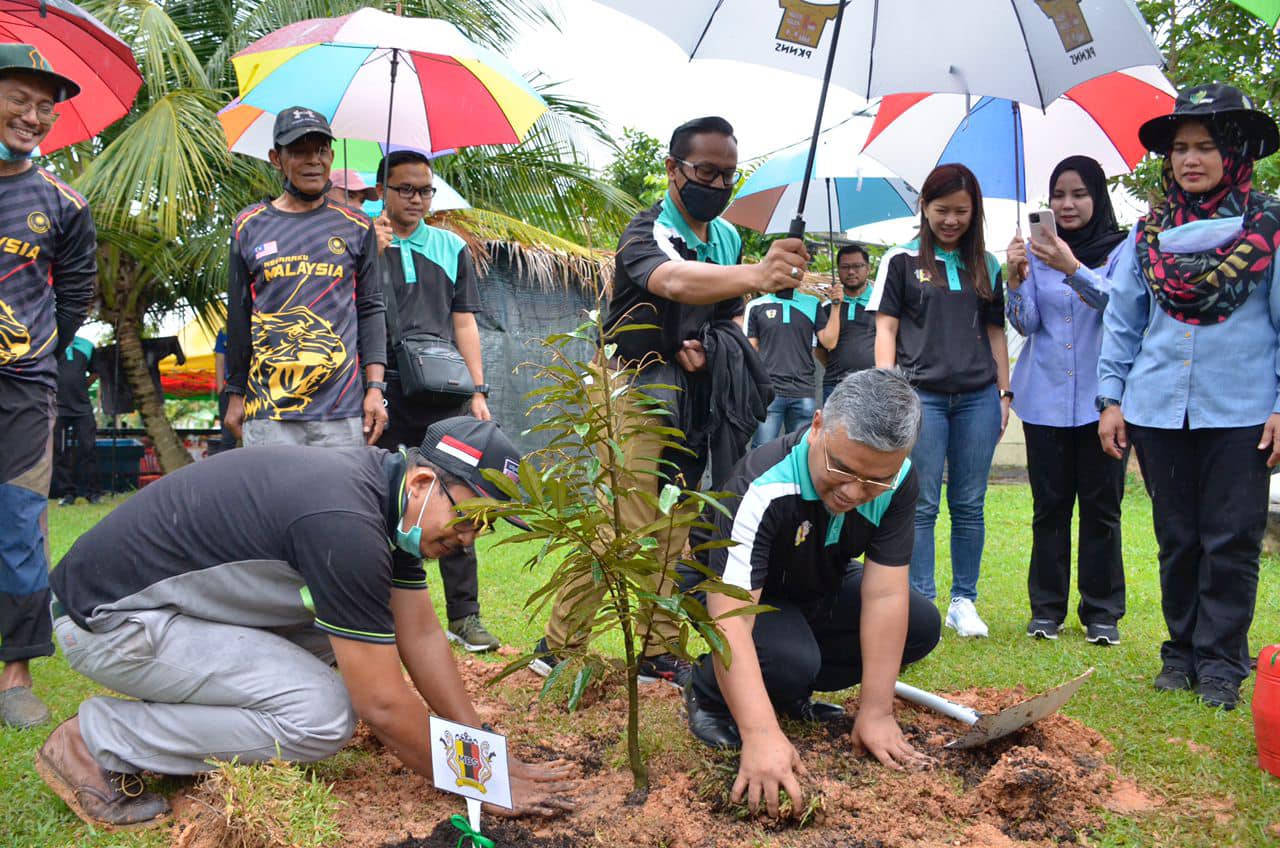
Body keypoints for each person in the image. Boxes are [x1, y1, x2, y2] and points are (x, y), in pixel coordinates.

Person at [36, 417, 575, 829]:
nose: (468, 539)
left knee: (352, 645)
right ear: (425, 482)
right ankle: (95, 739)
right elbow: (382, 707)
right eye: (471, 517)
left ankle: (176, 729)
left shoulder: (383, 502)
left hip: (158, 607)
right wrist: (479, 782)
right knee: (321, 713)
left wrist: (477, 745)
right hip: (109, 623)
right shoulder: (345, 524)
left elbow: (421, 634)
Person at [530, 116, 809, 683]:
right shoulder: (646, 230)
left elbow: (727, 312)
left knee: (679, 520)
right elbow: (675, 282)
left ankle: (658, 650)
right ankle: (558, 646)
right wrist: (757, 272)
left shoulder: (727, 237)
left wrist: (715, 346)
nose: (718, 184)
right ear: (673, 169)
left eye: (729, 174)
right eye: (706, 171)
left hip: (696, 400)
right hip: (633, 392)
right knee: (624, 522)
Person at [681, 368, 940, 817]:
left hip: (816, 585)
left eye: (875, 479)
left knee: (921, 624)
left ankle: (787, 690)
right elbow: (731, 619)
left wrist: (876, 712)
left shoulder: (896, 480)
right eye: (841, 468)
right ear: (817, 425)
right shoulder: (761, 485)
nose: (855, 491)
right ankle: (707, 691)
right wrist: (759, 736)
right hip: (735, 598)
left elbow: (885, 596)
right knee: (789, 657)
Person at [1098, 83, 1280, 711]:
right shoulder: (1148, 236)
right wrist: (1112, 399)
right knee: (1178, 537)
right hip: (1156, 407)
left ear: (1234, 154)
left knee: (1231, 537)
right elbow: (1124, 319)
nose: (1190, 159)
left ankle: (1223, 662)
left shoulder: (1269, 227)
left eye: (1205, 146)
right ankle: (1180, 654)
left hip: (1244, 409)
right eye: (1180, 149)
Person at [872, 162, 1011, 638]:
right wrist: (890, 391)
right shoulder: (900, 260)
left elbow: (997, 332)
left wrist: (1004, 392)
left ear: (975, 213)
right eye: (942, 210)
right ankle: (921, 600)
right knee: (923, 502)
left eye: (962, 212)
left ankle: (963, 601)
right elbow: (886, 327)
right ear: (924, 208)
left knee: (970, 503)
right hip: (920, 396)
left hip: (977, 398)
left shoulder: (987, 264)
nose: (952, 220)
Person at [0, 45, 95, 730]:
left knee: (17, 524)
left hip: (24, 390)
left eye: (46, 107)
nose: (34, 117)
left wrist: (36, 350)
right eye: (21, 100)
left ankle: (16, 673)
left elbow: (76, 294)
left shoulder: (63, 204)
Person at [372, 149, 499, 653]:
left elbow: (464, 319)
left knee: (457, 497)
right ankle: (376, 610)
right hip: (378, 387)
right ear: (380, 190)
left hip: (441, 390)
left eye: (425, 190)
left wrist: (478, 390)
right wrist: (366, 247)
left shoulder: (450, 246)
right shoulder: (359, 237)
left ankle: (465, 617)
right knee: (379, 495)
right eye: (405, 189)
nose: (417, 199)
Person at [1005, 156, 1128, 645]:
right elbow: (1026, 323)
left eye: (1078, 193)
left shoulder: (1121, 251)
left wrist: (1072, 267)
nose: (1068, 204)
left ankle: (1101, 613)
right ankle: (1046, 611)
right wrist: (1015, 280)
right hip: (1044, 400)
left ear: (1097, 198)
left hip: (1104, 403)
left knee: (1103, 508)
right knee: (1049, 508)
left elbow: (1121, 307)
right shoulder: (1034, 254)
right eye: (1058, 194)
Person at [223, 107, 389, 448]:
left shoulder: (356, 227)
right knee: (272, 502)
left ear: (331, 154)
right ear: (276, 158)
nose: (313, 160)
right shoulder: (248, 225)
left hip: (341, 408)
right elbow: (238, 318)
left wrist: (375, 389)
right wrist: (235, 393)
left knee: (337, 500)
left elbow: (371, 309)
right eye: (299, 151)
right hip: (268, 409)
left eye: (321, 150)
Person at [744, 276, 826, 447]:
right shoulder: (756, 305)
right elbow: (749, 351)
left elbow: (829, 341)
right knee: (761, 449)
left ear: (800, 275)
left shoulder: (813, 304)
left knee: (799, 451)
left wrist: (837, 304)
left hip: (803, 391)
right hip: (768, 392)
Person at [816, 244, 876, 403]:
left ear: (868, 269)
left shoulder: (880, 304)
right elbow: (820, 350)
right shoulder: (826, 308)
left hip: (873, 386)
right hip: (835, 385)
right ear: (838, 270)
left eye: (857, 266)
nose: (851, 272)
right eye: (845, 267)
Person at [53, 335, 102, 506]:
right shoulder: (50, 342)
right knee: (59, 451)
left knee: (88, 449)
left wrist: (82, 386)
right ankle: (67, 493)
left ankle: (93, 493)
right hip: (57, 407)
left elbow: (96, 371)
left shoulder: (87, 345)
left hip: (82, 408)